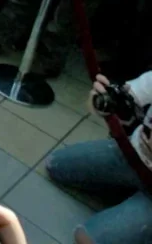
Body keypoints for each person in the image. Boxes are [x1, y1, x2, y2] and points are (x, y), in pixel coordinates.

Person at [46, 72, 152, 244]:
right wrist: (105, 101)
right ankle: (127, 194)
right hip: (131, 156)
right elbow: (130, 99)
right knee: (55, 164)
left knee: (86, 238)